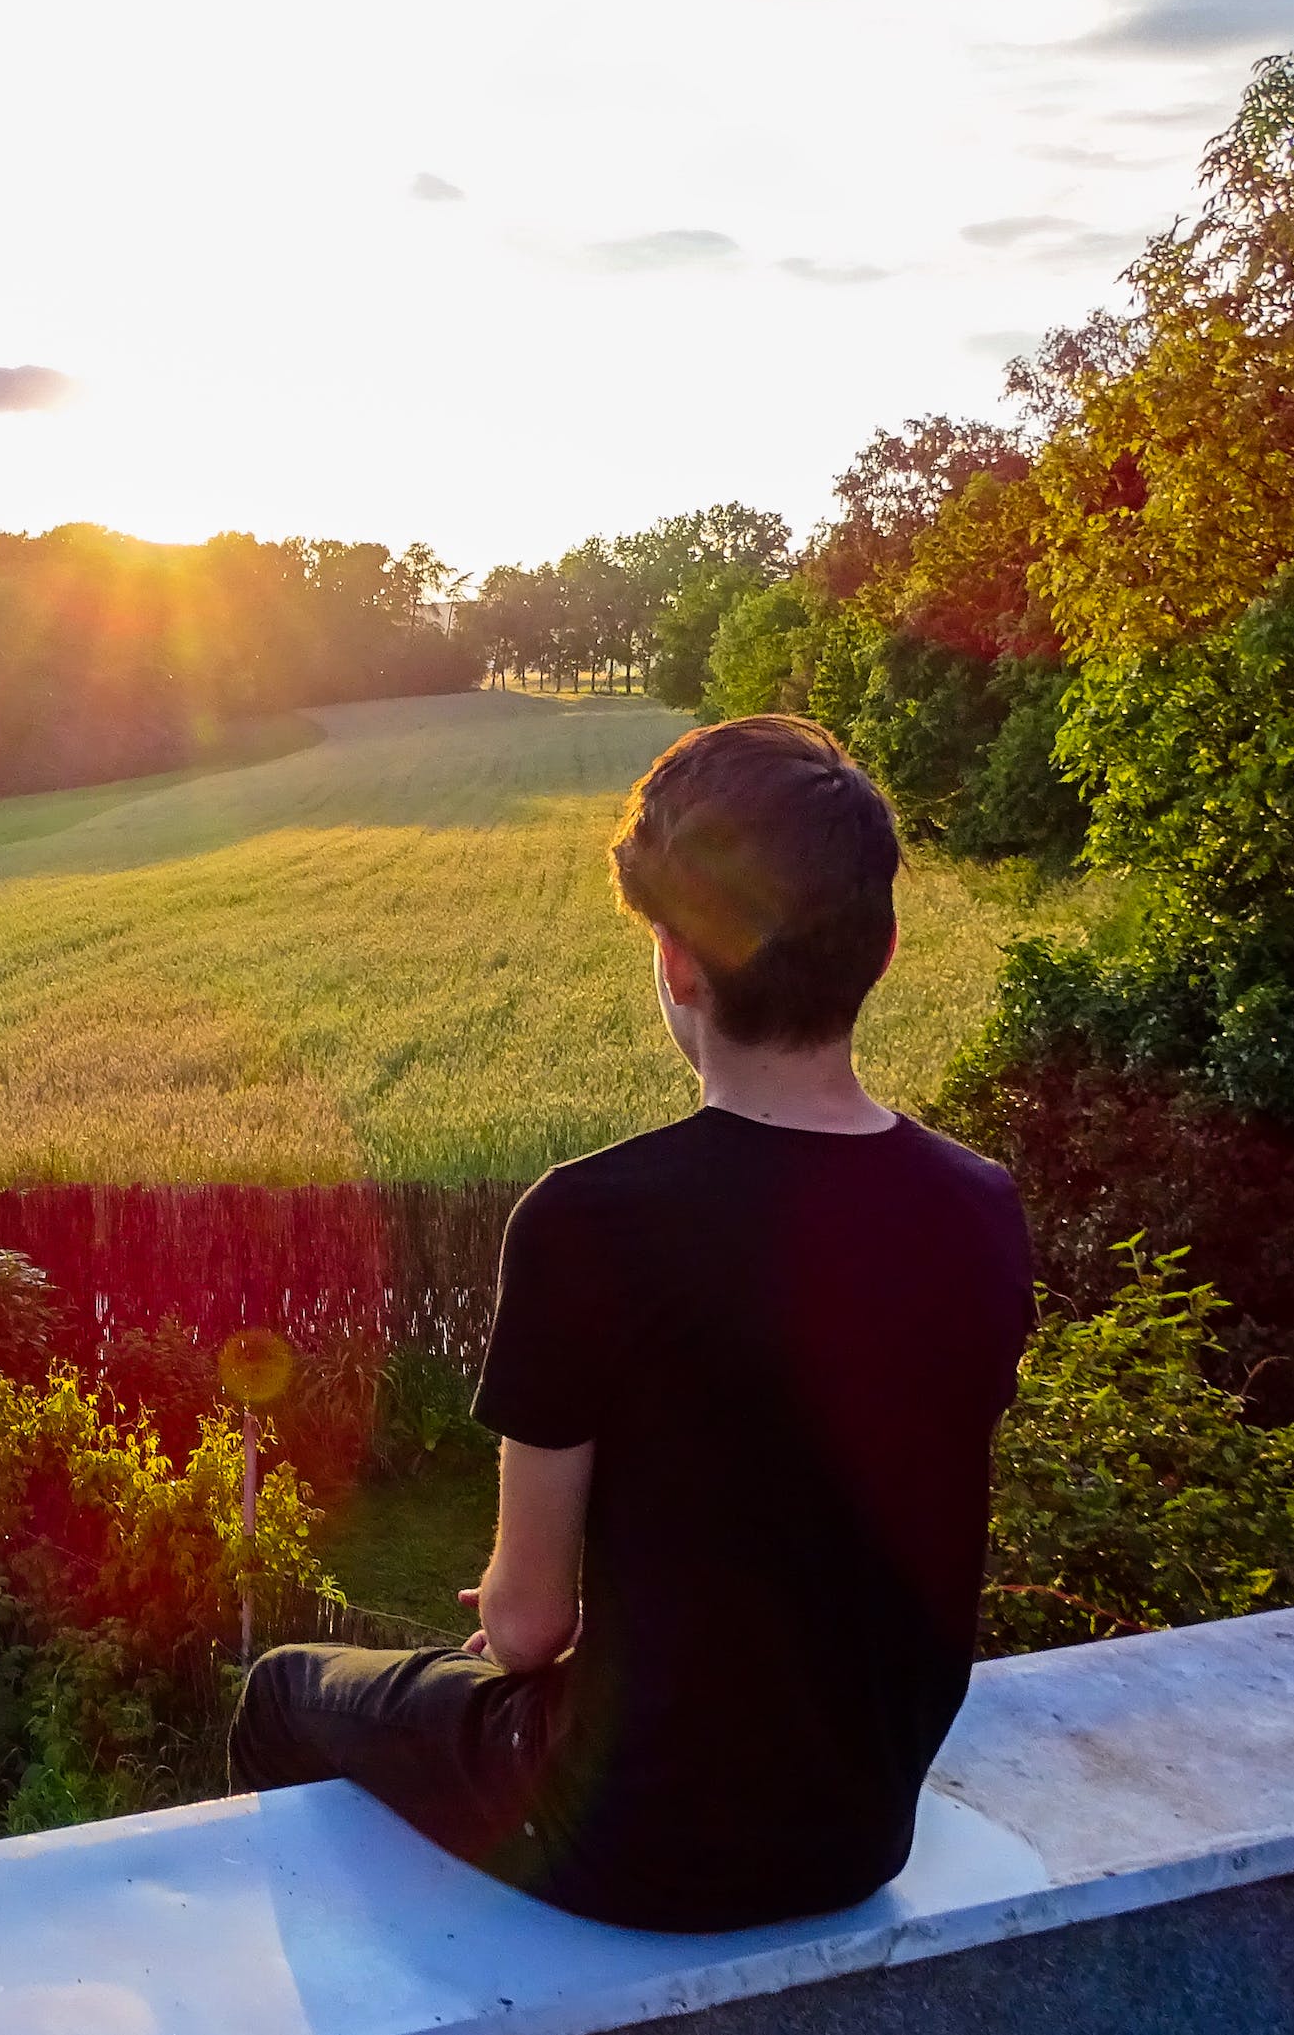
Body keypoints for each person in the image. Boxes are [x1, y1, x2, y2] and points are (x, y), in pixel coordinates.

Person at [227, 714, 1036, 1932]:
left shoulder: (590, 1219)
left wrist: (533, 1606)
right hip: (865, 1829)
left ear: (677, 964)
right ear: (882, 948)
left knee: (284, 1689)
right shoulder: (981, 1205)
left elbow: (522, 1628)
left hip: (637, 1843)